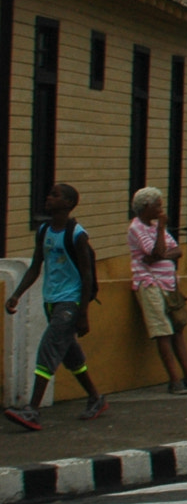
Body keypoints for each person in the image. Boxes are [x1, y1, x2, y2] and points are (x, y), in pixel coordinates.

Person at [3, 183, 108, 429]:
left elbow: (86, 275)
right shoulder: (44, 231)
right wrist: (17, 294)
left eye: (55, 195)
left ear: (69, 204)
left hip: (70, 302)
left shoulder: (77, 234)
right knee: (71, 355)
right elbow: (35, 266)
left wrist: (83, 313)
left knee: (48, 348)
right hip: (51, 300)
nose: (48, 198)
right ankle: (95, 398)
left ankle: (32, 409)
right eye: (49, 193)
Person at [128, 186, 187, 395]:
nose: (160, 209)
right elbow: (154, 250)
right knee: (163, 332)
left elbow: (176, 250)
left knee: (177, 328)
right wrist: (160, 235)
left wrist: (160, 255)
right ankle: (174, 380)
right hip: (150, 283)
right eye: (157, 205)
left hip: (169, 283)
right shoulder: (137, 228)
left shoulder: (157, 228)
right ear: (146, 207)